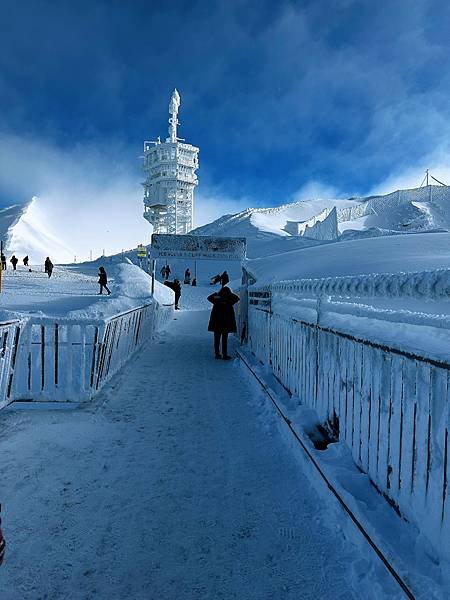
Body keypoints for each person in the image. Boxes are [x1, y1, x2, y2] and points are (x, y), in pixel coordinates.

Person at [207, 286, 239, 360]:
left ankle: (217, 354)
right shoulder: (229, 300)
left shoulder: (217, 299)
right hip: (226, 323)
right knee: (224, 339)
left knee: (216, 339)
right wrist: (230, 295)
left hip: (217, 323)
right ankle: (225, 354)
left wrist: (217, 294)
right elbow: (237, 298)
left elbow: (209, 297)